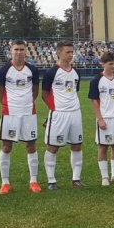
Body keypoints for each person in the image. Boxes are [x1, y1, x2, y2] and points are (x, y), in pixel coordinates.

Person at [0, 39, 41, 195]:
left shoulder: (32, 70)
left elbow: (35, 91)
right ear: (11, 50)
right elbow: (0, 92)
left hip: (28, 112)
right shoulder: (4, 71)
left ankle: (33, 181)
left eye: (22, 49)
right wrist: (9, 105)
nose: (19, 52)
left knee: (31, 145)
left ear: (26, 51)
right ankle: (5, 182)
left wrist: (26, 103)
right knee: (7, 146)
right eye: (16, 49)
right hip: (10, 113)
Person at [42, 41, 84, 190]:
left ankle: (76, 179)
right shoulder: (51, 72)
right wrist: (54, 109)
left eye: (72, 52)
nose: (71, 55)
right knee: (53, 147)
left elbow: (74, 92)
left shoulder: (76, 72)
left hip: (75, 113)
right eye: (68, 52)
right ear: (59, 53)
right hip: (59, 114)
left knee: (77, 145)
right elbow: (44, 94)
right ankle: (51, 180)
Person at [89, 52, 114, 186]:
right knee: (103, 147)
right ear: (103, 64)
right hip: (106, 118)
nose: (113, 66)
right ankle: (104, 177)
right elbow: (94, 101)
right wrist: (100, 119)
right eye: (110, 63)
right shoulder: (96, 80)